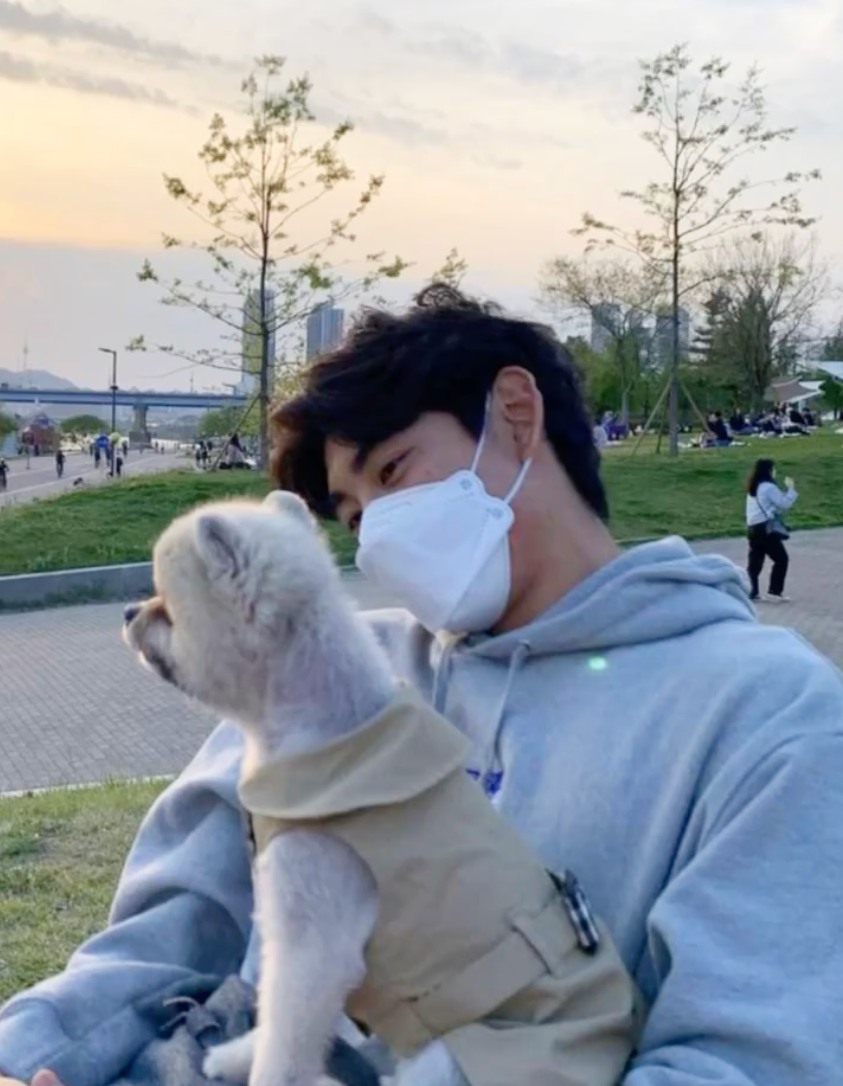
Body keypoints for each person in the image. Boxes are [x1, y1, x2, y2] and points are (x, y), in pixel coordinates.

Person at [4, 285, 843, 1086]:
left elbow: (748, 1059)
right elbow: (165, 937)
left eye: (393, 471)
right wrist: (25, 1052)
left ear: (515, 414)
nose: (378, 533)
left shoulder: (767, 718)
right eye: (355, 516)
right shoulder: (326, 672)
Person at [745, 457, 798, 603]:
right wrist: (791, 489)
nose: (775, 471)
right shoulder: (768, 487)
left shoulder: (753, 488)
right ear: (769, 470)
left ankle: (752, 591)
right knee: (781, 559)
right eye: (773, 469)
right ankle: (774, 591)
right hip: (765, 529)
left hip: (752, 528)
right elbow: (784, 503)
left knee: (755, 561)